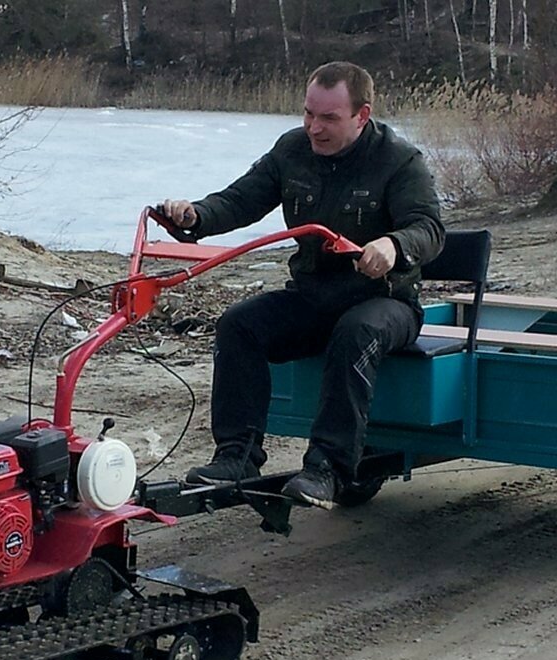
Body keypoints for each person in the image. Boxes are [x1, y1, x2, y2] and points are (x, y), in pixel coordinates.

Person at [161, 61, 444, 509]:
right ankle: (237, 456)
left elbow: (428, 228)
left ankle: (327, 469)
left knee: (357, 331)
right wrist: (195, 216)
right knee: (240, 325)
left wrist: (392, 245)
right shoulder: (292, 151)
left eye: (328, 117)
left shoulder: (399, 160)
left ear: (361, 115)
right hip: (314, 297)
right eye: (309, 113)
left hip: (386, 301)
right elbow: (240, 200)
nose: (314, 127)